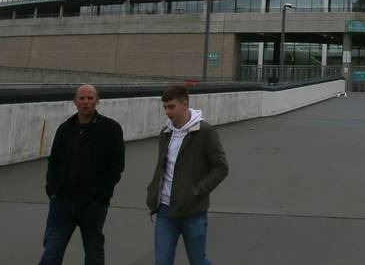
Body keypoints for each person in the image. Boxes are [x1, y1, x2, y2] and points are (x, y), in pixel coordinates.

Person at [40, 83, 126, 265]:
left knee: (93, 254)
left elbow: (116, 165)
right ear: (75, 101)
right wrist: (52, 191)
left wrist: (102, 196)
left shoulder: (110, 129)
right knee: (51, 253)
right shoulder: (65, 129)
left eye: (90, 98)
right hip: (62, 203)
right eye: (82, 98)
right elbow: (54, 162)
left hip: (92, 205)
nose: (86, 102)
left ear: (97, 101)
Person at [147, 85, 228, 265]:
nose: (167, 112)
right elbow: (162, 169)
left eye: (171, 107)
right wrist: (153, 191)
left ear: (184, 104)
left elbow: (221, 167)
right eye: (165, 107)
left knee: (198, 260)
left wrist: (196, 190)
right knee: (162, 261)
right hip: (165, 211)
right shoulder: (165, 133)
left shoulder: (205, 131)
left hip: (193, 211)